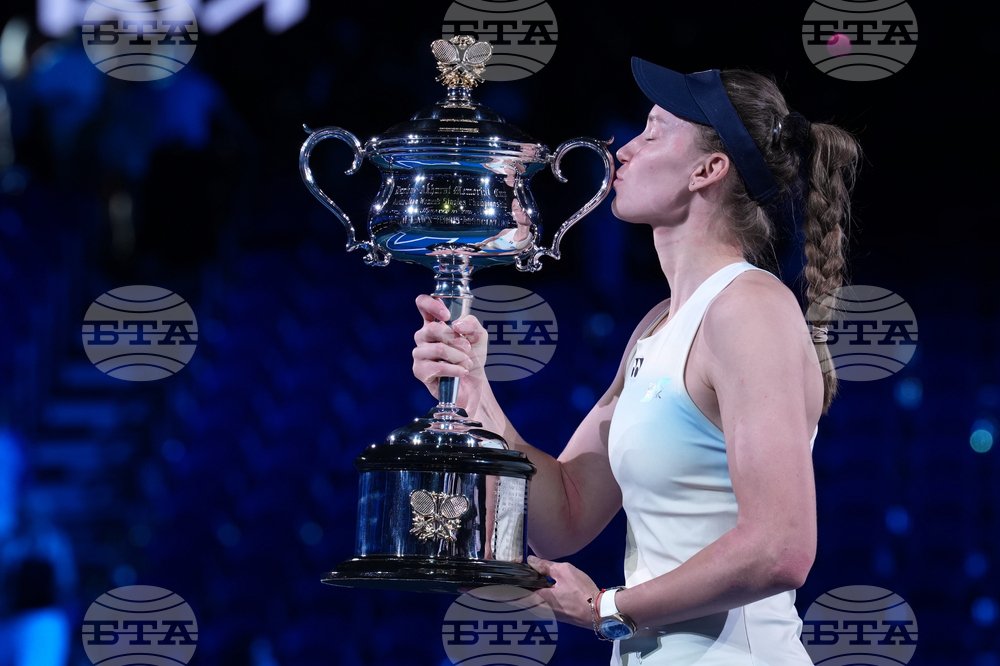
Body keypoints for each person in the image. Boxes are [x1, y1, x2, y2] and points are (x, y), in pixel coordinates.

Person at [412, 56, 860, 665]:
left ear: (708, 169)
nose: (624, 151)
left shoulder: (749, 308)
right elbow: (566, 513)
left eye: (652, 131)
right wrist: (475, 394)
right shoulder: (657, 326)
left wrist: (609, 609)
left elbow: (781, 547)